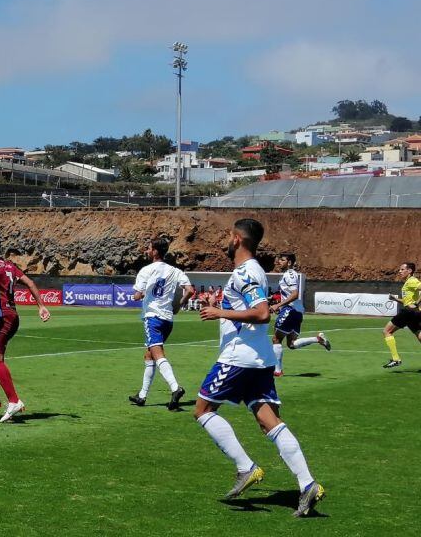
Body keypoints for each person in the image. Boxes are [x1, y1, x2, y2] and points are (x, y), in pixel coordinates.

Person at [196, 219, 324, 517]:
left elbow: (262, 313)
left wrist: (219, 312)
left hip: (239, 356)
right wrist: (221, 305)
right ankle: (308, 485)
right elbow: (250, 307)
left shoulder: (246, 271)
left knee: (202, 410)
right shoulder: (251, 272)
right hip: (259, 357)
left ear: (237, 238)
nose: (226, 241)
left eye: (228, 236)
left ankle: (246, 467)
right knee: (269, 421)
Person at [0, 234, 51, 423]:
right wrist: (41, 305)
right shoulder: (9, 265)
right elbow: (30, 282)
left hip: (0, 316)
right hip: (12, 315)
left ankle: (14, 401)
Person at [129, 238, 194, 410]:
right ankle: (142, 395)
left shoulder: (146, 270)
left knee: (158, 355)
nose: (147, 250)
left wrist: (138, 295)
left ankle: (175, 388)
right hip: (168, 319)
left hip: (153, 317)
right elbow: (190, 290)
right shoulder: (175, 270)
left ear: (155, 251)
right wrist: (180, 304)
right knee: (149, 355)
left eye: (149, 248)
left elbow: (137, 295)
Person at [270, 254, 330, 376]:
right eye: (279, 259)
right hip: (296, 312)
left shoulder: (290, 274)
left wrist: (278, 305)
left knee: (276, 339)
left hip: (290, 310)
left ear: (290, 262)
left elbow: (295, 294)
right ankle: (317, 339)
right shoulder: (288, 274)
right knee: (291, 344)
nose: (279, 262)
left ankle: (277, 371)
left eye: (283, 260)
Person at [381, 261, 421, 368]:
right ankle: (396, 359)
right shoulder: (408, 282)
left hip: (409, 312)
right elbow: (407, 301)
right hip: (414, 313)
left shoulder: (412, 281)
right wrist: (395, 299)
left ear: (410, 271)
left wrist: (417, 302)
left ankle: (396, 359)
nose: (400, 271)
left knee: (386, 331)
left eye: (402, 269)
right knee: (419, 335)